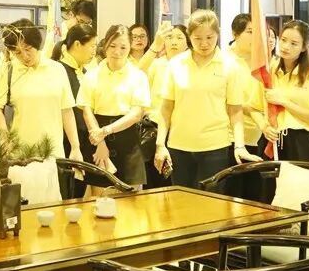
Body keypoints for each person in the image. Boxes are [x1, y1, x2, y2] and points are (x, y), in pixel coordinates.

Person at [155, 10, 260, 189]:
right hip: (178, 145)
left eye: (210, 37)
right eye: (197, 38)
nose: (204, 44)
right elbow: (166, 109)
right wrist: (160, 145)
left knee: (211, 202)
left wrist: (239, 146)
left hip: (215, 147)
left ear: (218, 34)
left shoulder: (229, 65)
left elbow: (235, 111)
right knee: (181, 201)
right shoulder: (176, 64)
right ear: (189, 37)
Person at [0, 20, 82, 160]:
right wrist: (4, 137)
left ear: (37, 43)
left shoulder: (57, 69)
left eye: (28, 49)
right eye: (17, 52)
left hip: (52, 152)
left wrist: (75, 147)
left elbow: (66, 111)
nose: (24, 56)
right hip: (19, 153)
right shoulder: (7, 71)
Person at [77, 25, 151, 190]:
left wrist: (106, 131)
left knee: (131, 199)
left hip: (128, 141)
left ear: (130, 47)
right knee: (99, 198)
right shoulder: (92, 75)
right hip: (97, 138)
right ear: (105, 46)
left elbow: (137, 113)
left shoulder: (138, 76)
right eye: (112, 46)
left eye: (123, 47)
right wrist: (100, 141)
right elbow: (87, 110)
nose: (117, 51)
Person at [262, 21, 309, 162]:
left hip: (301, 139)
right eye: (283, 40)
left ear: (304, 47)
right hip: (272, 138)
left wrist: (285, 102)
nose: (286, 46)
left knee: (301, 177)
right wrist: (264, 127)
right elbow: (254, 107)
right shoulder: (271, 69)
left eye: (294, 43)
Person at [139, 23, 189, 188]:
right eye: (169, 37)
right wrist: (155, 46)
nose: (174, 42)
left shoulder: (190, 66)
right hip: (154, 128)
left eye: (179, 38)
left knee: (177, 179)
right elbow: (138, 74)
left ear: (188, 43)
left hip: (180, 129)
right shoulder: (157, 64)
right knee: (154, 180)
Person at [53, 23, 98, 167]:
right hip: (66, 143)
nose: (94, 51)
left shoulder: (84, 72)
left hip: (84, 142)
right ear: (78, 44)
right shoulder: (58, 70)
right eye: (92, 46)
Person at [227, 14, 267, 158]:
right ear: (234, 34)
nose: (255, 37)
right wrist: (249, 108)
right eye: (250, 32)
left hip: (259, 136)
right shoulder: (224, 61)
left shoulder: (263, 63)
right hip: (229, 137)